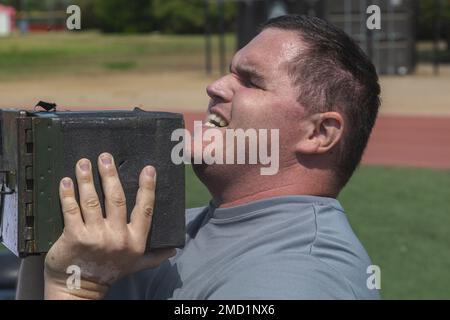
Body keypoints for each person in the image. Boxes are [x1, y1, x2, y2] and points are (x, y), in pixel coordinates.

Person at [43, 14, 381, 300]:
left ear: (319, 134)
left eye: (250, 81)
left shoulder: (298, 278)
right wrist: (43, 239)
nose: (216, 86)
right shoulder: (181, 227)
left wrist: (75, 287)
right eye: (230, 72)